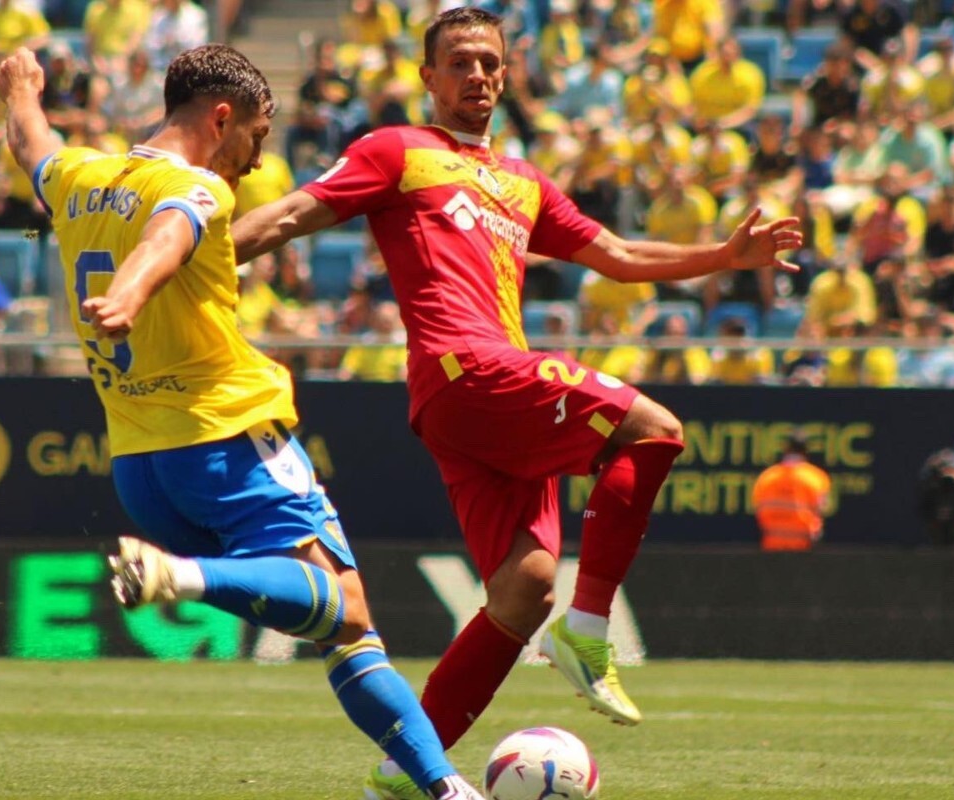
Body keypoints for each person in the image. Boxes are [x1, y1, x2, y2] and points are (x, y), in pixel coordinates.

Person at [232, 9, 801, 798]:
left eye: (490, 64)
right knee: (655, 430)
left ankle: (403, 769)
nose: (477, 76)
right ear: (428, 77)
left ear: (507, 75)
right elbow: (292, 214)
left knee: (525, 587)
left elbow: (622, 255)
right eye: (459, 62)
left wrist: (724, 256)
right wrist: (192, 253)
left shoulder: (523, 183)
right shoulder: (398, 151)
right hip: (467, 371)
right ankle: (591, 626)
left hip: (476, 407)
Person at [0, 43, 483, 800]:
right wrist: (129, 292)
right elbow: (169, 233)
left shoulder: (80, 177)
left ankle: (446, 789)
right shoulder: (197, 188)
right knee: (343, 603)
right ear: (223, 118)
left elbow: (35, 145)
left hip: (140, 466)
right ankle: (178, 576)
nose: (255, 161)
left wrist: (22, 91)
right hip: (226, 440)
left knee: (344, 631)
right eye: (256, 136)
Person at [752, 433, 832, 551]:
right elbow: (821, 512)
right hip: (803, 549)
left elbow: (758, 510)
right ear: (806, 450)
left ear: (786, 449)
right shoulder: (816, 478)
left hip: (772, 548)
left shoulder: (767, 477)